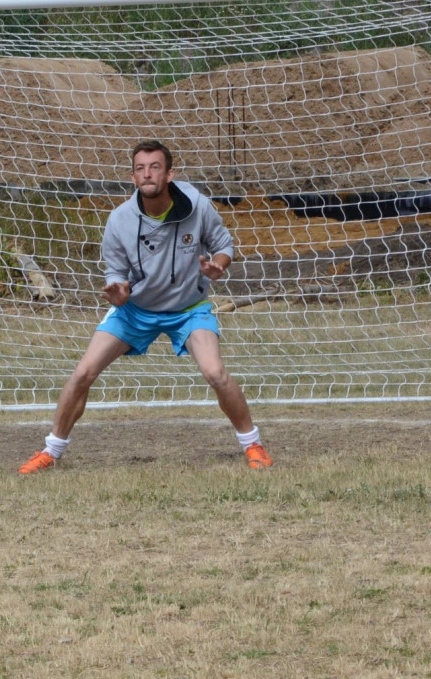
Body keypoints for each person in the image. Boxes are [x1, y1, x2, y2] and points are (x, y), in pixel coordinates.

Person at [19, 140, 273, 474]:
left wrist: (218, 265)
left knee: (215, 373)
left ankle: (253, 445)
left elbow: (224, 244)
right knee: (83, 373)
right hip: (135, 310)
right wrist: (118, 290)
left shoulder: (197, 205)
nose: (147, 174)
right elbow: (115, 271)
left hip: (188, 308)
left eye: (154, 167)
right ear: (133, 177)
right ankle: (50, 451)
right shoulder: (120, 220)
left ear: (169, 174)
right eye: (140, 168)